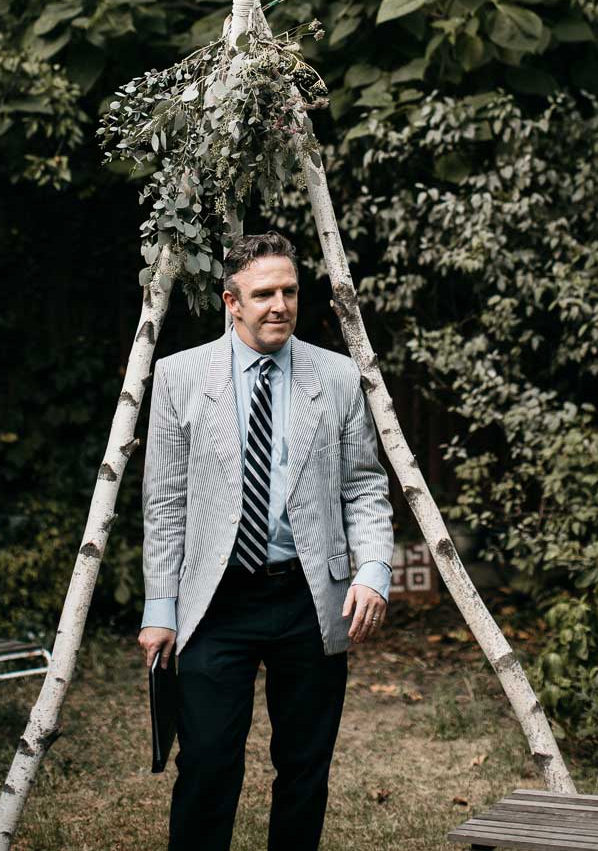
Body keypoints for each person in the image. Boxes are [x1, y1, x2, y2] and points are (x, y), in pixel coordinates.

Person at [138, 232, 392, 851]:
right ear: (231, 301)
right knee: (206, 763)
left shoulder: (336, 377)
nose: (279, 305)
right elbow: (165, 505)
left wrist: (373, 570)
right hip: (214, 601)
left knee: (305, 769)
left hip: (309, 598)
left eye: (289, 292)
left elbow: (364, 486)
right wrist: (159, 609)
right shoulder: (179, 377)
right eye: (263, 294)